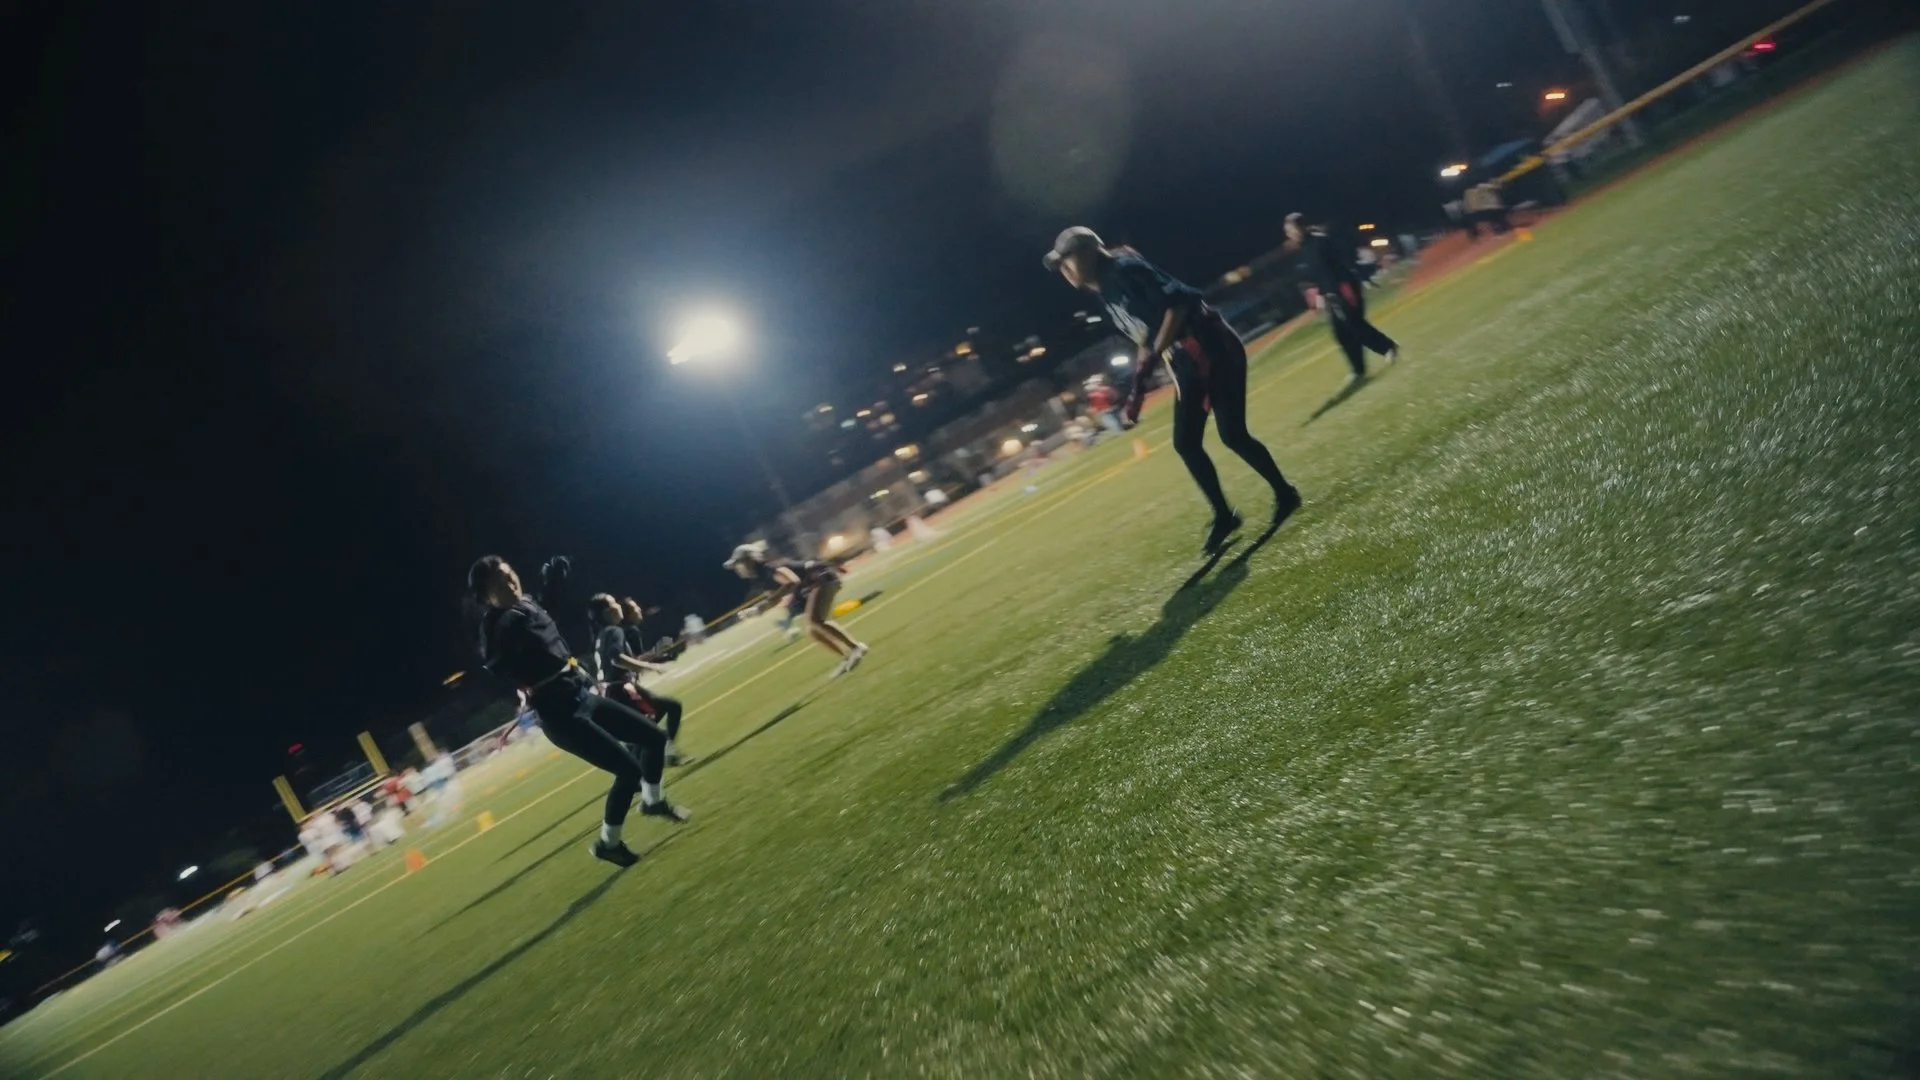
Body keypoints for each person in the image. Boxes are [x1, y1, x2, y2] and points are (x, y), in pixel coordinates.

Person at [1044, 227, 1301, 554]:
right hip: (1186, 360)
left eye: (1066, 260)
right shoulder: (1105, 291)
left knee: (1232, 435)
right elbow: (1146, 336)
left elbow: (1178, 305)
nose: (1064, 270)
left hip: (1210, 349)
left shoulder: (1125, 270)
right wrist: (1138, 387)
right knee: (1186, 443)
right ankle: (1225, 515)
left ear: (1087, 252)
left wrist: (1153, 357)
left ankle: (1284, 493)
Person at [469, 555, 687, 868]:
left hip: (582, 695)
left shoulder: (526, 603)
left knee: (653, 738)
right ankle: (608, 844)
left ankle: (652, 802)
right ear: (485, 596)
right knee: (629, 771)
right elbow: (494, 664)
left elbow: (545, 609)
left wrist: (552, 583)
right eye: (498, 583)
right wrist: (511, 646)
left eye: (509, 574)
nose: (509, 582)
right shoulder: (495, 624)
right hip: (560, 715)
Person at [1285, 213, 1399, 388]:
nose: (1289, 234)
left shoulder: (1320, 241)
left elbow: (1341, 264)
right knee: (1341, 333)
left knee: (1354, 324)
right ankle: (1358, 371)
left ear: (1300, 228)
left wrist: (1344, 287)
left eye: (1290, 230)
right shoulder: (1305, 249)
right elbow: (1317, 275)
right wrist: (1320, 294)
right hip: (1330, 294)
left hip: (1343, 288)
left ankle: (1388, 347)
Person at [725, 541, 869, 675]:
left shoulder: (769, 568)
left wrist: (766, 603)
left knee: (815, 621)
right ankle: (846, 657)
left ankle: (856, 648)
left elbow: (792, 582)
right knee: (813, 631)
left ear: (750, 561)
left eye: (739, 564)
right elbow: (773, 599)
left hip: (822, 578)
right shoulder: (761, 578)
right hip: (816, 583)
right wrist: (758, 609)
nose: (738, 569)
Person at [589, 592, 687, 766]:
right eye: (614, 603)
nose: (618, 606)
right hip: (622, 690)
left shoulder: (603, 634)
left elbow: (621, 659)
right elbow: (616, 659)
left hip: (612, 691)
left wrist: (655, 657)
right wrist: (650, 666)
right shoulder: (614, 630)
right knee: (670, 709)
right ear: (607, 612)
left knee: (645, 728)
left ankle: (643, 760)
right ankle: (663, 755)